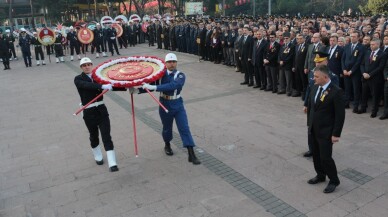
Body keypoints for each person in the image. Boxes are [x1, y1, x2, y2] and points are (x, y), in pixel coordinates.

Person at [141, 53, 201, 165]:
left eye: (174, 62)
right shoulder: (160, 75)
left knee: (184, 127)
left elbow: (173, 85)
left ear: (176, 63)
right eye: (169, 62)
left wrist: (154, 87)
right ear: (165, 63)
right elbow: (150, 84)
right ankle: (167, 144)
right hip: (164, 104)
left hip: (177, 104)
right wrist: (138, 90)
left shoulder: (180, 75)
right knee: (167, 128)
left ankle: (191, 153)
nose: (172, 64)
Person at [74, 57, 124, 172]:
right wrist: (102, 86)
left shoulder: (98, 77)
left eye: (89, 64)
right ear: (81, 67)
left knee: (106, 135)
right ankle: (97, 155)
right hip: (89, 112)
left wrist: (127, 87)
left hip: (101, 110)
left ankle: (112, 162)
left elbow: (112, 84)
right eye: (84, 65)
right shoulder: (78, 79)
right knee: (93, 135)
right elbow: (86, 86)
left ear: (92, 65)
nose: (87, 67)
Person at [306, 64, 345, 194]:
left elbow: (340, 116)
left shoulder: (336, 92)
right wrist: (309, 125)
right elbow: (311, 108)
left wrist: (336, 134)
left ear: (325, 77)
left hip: (326, 132)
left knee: (325, 158)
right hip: (313, 129)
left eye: (316, 76)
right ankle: (320, 175)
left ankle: (334, 180)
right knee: (316, 156)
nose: (313, 78)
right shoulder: (315, 87)